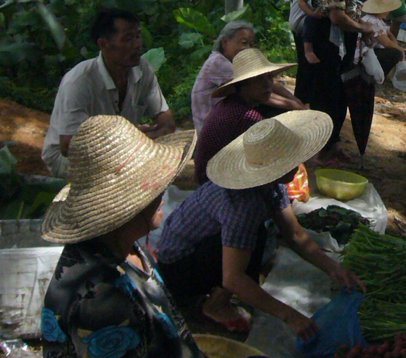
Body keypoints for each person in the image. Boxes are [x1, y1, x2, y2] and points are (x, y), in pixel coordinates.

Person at [156, 112, 364, 338]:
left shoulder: (272, 186)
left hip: (203, 247)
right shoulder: (243, 202)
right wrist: (289, 315)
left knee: (256, 235)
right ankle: (213, 305)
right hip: (178, 267)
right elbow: (232, 278)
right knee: (252, 238)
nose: (298, 162)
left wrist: (334, 268)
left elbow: (294, 234)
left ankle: (218, 297)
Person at [40, 115, 199, 358]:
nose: (164, 193)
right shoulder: (103, 302)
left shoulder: (122, 246)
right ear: (129, 206)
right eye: (155, 186)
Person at [42, 9, 175, 178]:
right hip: (67, 160)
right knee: (133, 174)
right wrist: (133, 139)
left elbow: (167, 123)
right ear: (103, 44)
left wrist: (131, 140)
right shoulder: (79, 82)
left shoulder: (143, 70)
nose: (137, 44)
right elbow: (69, 147)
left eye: (137, 36)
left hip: (119, 151)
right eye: (127, 38)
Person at [305, 0, 376, 163]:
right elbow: (336, 16)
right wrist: (363, 29)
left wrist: (359, 27)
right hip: (328, 45)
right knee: (329, 98)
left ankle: (331, 146)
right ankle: (321, 153)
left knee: (336, 97)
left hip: (337, 44)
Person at [193, 48, 297, 185]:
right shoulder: (247, 116)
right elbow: (284, 175)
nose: (267, 84)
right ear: (243, 85)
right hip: (214, 186)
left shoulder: (229, 104)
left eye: (269, 77)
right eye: (259, 79)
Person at [191, 21, 304, 132]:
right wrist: (296, 106)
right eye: (244, 43)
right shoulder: (218, 63)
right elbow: (260, 93)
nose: (248, 49)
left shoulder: (234, 63)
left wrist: (296, 101)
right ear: (225, 42)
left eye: (251, 44)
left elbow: (270, 84)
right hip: (213, 128)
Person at [360, 0, 406, 77]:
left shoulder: (374, 20)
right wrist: (399, 49)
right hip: (365, 52)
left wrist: (396, 45)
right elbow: (387, 43)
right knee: (395, 54)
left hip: (369, 49)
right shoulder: (375, 22)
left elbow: (389, 35)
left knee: (395, 50)